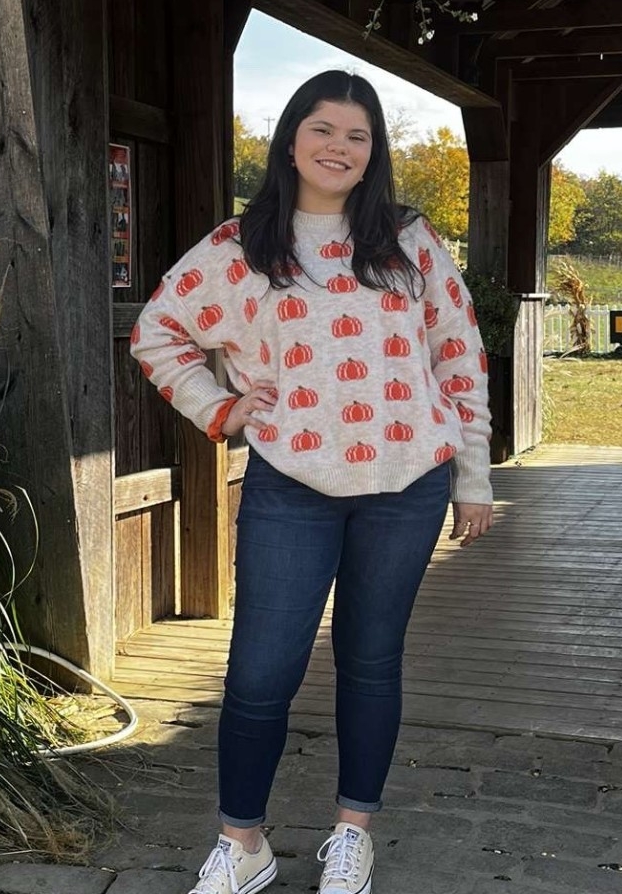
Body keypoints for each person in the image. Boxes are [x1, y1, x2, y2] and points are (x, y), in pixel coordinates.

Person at [131, 70, 494, 894]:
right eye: (323, 129)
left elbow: (458, 355)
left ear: (373, 156)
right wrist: (220, 409)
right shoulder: (237, 247)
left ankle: (352, 834)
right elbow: (159, 333)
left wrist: (472, 478)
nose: (338, 147)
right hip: (290, 484)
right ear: (291, 139)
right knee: (259, 671)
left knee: (371, 661)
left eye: (357, 135)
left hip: (406, 486)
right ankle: (243, 844)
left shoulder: (408, 241)